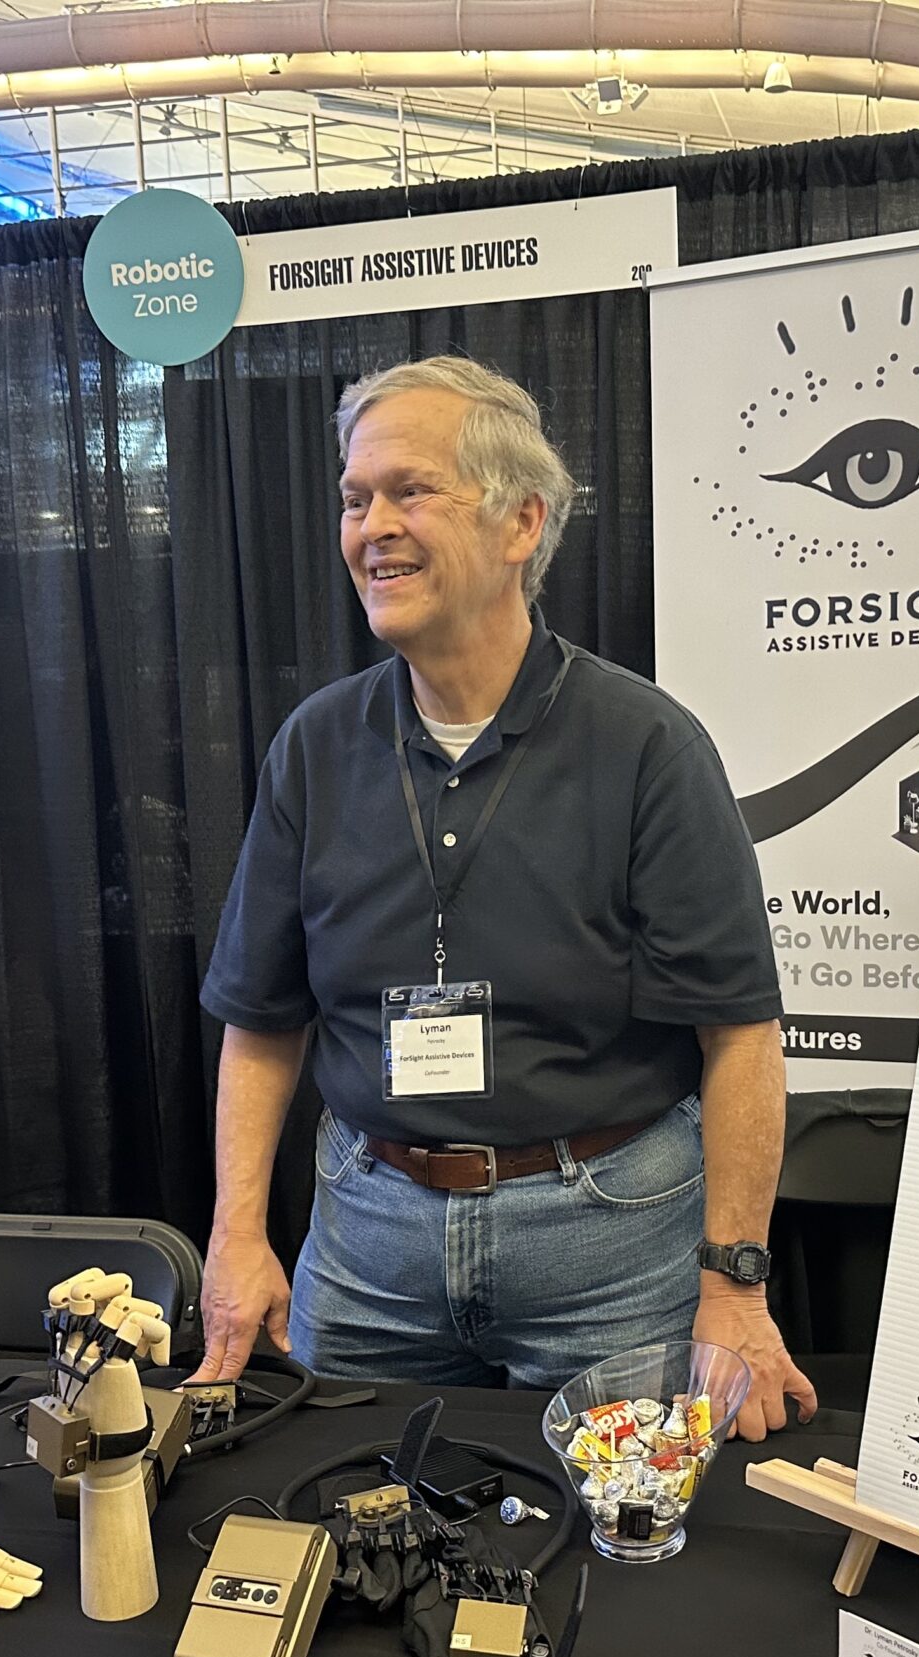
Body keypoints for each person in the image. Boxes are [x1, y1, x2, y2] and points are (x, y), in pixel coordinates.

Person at [191, 355, 815, 1439]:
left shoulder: (645, 746)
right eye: (353, 498)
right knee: (337, 1513)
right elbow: (262, 1022)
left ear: (521, 524)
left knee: (620, 1550)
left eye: (409, 491)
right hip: (368, 1234)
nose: (370, 525)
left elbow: (741, 1037)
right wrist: (235, 1236)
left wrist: (735, 1287)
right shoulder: (316, 749)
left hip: (605, 1239)